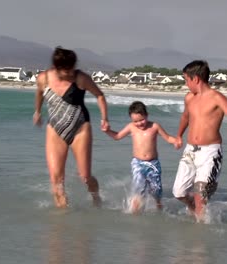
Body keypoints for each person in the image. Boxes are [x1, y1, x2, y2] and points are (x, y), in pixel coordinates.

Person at [173, 60, 227, 222]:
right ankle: (194, 207)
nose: (186, 84)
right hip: (190, 150)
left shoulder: (217, 98)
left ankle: (199, 239)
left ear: (196, 79)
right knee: (179, 192)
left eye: (186, 79)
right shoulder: (189, 98)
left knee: (200, 195)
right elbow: (185, 117)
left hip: (210, 152)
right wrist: (178, 135)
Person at [33, 46, 110, 208]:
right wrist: (37, 111)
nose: (69, 73)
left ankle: (96, 198)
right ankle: (62, 223)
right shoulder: (44, 78)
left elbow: (99, 95)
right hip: (55, 129)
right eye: (66, 71)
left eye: (72, 69)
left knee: (85, 176)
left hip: (80, 128)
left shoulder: (81, 78)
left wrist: (104, 118)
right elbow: (39, 93)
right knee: (56, 179)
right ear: (56, 67)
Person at [104, 101, 176, 214]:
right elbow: (117, 136)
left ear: (146, 115)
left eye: (141, 120)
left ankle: (158, 204)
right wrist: (107, 131)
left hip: (153, 163)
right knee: (139, 187)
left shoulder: (154, 126)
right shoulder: (131, 127)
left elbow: (167, 138)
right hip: (137, 163)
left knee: (156, 190)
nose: (139, 123)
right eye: (136, 121)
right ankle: (136, 210)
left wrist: (176, 141)